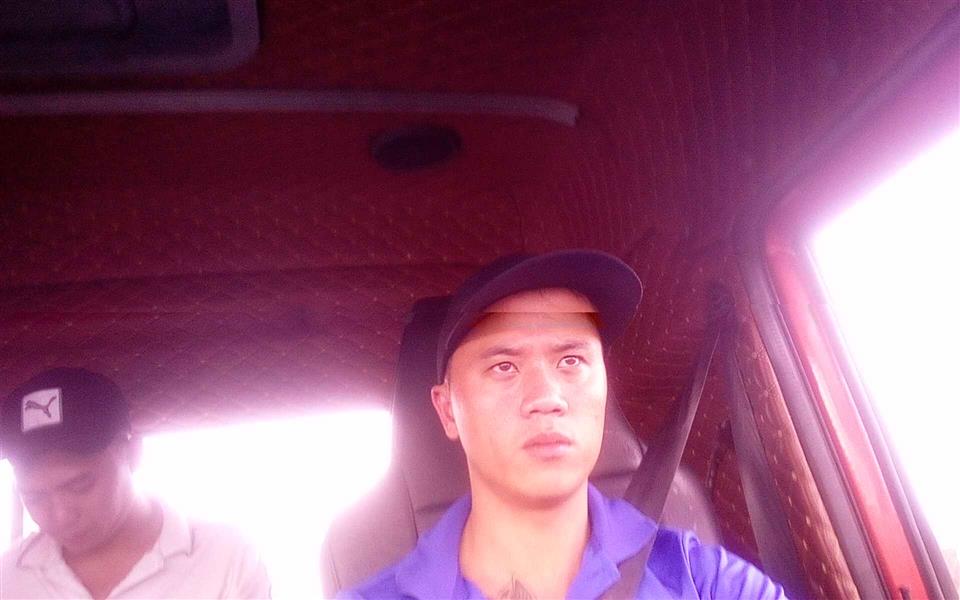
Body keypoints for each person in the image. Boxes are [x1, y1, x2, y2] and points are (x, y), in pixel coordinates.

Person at [343, 250, 786, 599]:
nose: (547, 398)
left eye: (571, 360)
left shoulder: (705, 581)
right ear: (447, 411)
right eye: (503, 367)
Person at [0, 367, 272, 599]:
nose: (61, 516)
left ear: (132, 453)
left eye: (80, 485)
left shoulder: (224, 557)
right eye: (34, 497)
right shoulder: (9, 578)